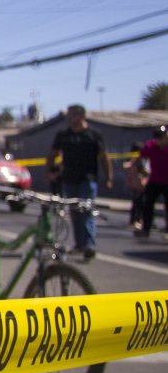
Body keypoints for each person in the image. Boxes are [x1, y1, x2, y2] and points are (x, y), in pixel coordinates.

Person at [46, 104, 112, 260]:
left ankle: (89, 245)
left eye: (72, 116)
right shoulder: (63, 135)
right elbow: (52, 154)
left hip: (88, 179)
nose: (68, 119)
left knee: (86, 211)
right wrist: (49, 171)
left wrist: (109, 178)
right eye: (67, 116)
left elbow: (104, 158)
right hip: (69, 179)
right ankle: (79, 244)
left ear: (81, 116)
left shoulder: (94, 134)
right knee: (74, 213)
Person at [135, 125, 168, 239]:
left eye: (161, 137)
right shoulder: (150, 146)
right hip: (155, 180)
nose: (159, 140)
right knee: (148, 204)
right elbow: (139, 158)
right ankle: (146, 229)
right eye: (157, 137)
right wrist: (143, 170)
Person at [124, 142, 149, 230]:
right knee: (139, 203)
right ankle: (136, 220)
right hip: (139, 183)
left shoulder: (132, 158)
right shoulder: (137, 159)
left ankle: (134, 220)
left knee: (136, 202)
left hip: (133, 183)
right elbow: (143, 170)